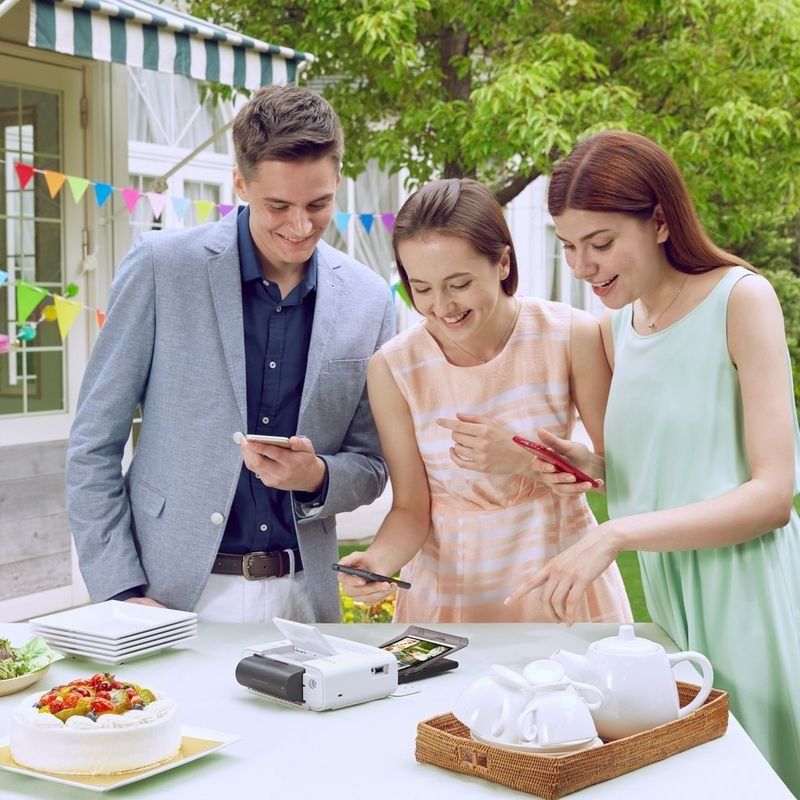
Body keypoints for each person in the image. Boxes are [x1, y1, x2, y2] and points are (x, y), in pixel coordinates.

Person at [507, 131, 800, 794]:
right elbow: (658, 472)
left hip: (746, 595)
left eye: (601, 243)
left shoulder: (741, 299)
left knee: (758, 776)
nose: (584, 265)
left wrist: (616, 533)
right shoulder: (614, 332)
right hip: (668, 600)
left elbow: (773, 495)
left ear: (662, 220)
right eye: (569, 247)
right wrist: (588, 464)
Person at [66, 86, 395, 624]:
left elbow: (373, 464)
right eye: (278, 206)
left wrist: (316, 476)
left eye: (318, 204)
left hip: (306, 599)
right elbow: (92, 443)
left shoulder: (368, 298)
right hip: (166, 596)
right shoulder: (160, 268)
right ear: (240, 184)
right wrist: (120, 590)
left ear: (337, 179)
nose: (300, 226)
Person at [337, 178, 631, 623]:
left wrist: (526, 458)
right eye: (421, 288)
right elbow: (411, 509)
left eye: (458, 283)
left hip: (563, 584)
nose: (442, 306)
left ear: (502, 262)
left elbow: (622, 479)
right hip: (450, 598)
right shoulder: (393, 369)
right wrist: (378, 561)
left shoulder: (571, 335)